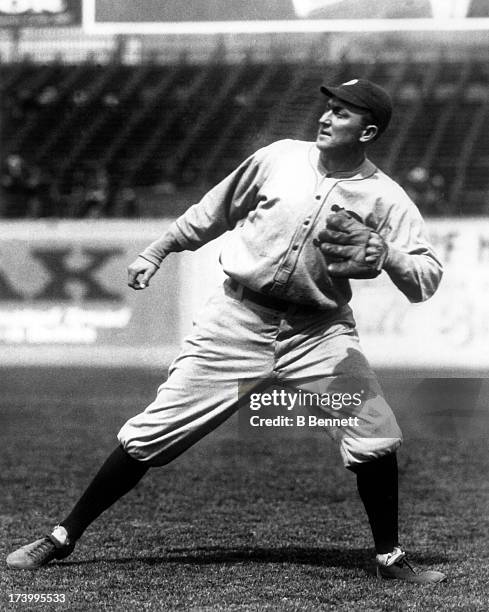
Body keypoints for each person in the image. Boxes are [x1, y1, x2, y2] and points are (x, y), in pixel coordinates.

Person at [6, 78, 446, 583]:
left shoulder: (388, 199)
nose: (326, 117)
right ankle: (63, 536)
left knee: (375, 432)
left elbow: (426, 279)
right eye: (329, 107)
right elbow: (213, 211)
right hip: (237, 321)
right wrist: (158, 250)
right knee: (151, 434)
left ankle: (390, 558)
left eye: (343, 114)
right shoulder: (278, 158)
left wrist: (388, 254)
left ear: (367, 131)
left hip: (317, 333)